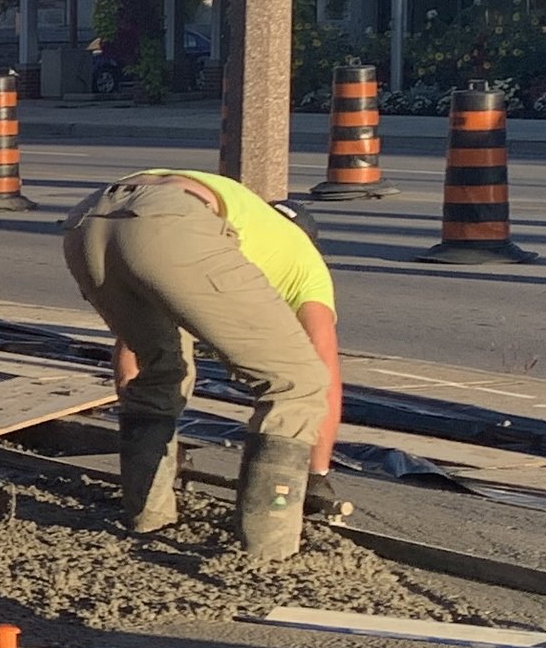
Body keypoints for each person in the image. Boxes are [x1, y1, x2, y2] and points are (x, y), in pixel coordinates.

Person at [59, 169, 342, 562]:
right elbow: (320, 374)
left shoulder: (247, 223)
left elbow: (134, 361)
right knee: (297, 382)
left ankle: (147, 516)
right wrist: (315, 475)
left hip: (88, 220)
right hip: (171, 220)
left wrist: (151, 432)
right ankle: (269, 554)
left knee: (162, 371)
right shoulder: (304, 264)